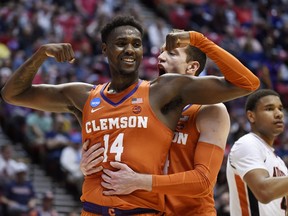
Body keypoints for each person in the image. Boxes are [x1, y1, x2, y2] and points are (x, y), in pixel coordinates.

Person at [1, 15, 259, 215]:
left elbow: (247, 84)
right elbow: (13, 94)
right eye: (122, 43)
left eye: (137, 44)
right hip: (106, 208)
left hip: (182, 211)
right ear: (104, 50)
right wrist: (42, 53)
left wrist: (198, 39)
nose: (159, 55)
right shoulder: (97, 96)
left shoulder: (188, 101)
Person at [80, 29, 230, 215]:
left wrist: (141, 181)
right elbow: (121, 157)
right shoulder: (145, 105)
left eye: (171, 53)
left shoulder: (210, 110)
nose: (160, 57)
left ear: (191, 67)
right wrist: (89, 166)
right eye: (161, 52)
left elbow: (204, 182)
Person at [226, 89, 288, 215]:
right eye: (269, 109)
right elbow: (264, 192)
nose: (279, 114)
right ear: (251, 116)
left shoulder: (280, 162)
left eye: (280, 109)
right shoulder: (247, 143)